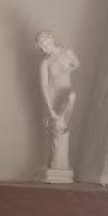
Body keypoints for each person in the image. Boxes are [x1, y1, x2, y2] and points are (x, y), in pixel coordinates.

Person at [36, 31, 80, 182]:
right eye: (42, 46)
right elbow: (44, 85)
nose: (45, 47)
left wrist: (68, 69)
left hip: (65, 91)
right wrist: (49, 108)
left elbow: (76, 64)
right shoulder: (45, 63)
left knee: (72, 96)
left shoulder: (67, 52)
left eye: (46, 43)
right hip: (53, 96)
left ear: (51, 40)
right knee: (57, 128)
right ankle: (57, 165)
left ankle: (59, 164)